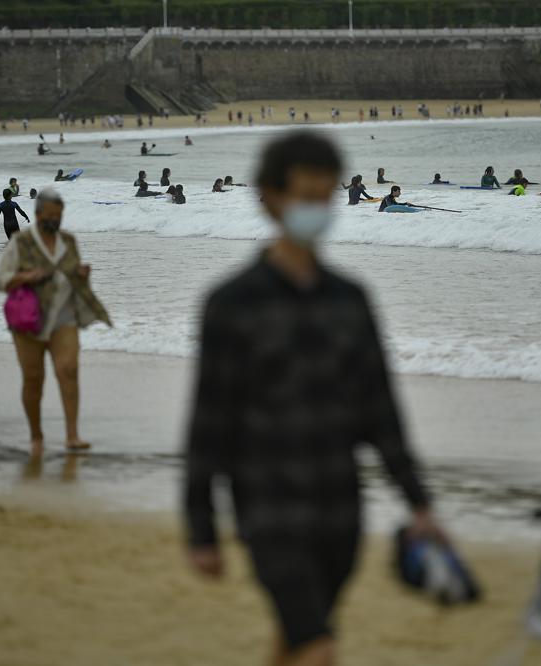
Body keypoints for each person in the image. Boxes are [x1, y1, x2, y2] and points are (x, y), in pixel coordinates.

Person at [184, 131, 443, 666]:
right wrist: (201, 526)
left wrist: (418, 502)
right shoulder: (231, 304)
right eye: (305, 197)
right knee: (320, 649)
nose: (317, 209)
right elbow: (210, 421)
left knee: (299, 638)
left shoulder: (351, 300)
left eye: (324, 196)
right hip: (267, 505)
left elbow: (380, 410)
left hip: (340, 506)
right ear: (269, 198)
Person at [0, 189, 111, 458]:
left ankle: (72, 435)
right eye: (49, 216)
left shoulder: (68, 241)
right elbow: (0, 280)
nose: (54, 221)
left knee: (69, 370)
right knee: (34, 379)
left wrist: (82, 274)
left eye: (58, 216)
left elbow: (73, 277)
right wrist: (26, 277)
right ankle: (36, 436)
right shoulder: (21, 242)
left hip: (64, 318)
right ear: (37, 215)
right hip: (28, 320)